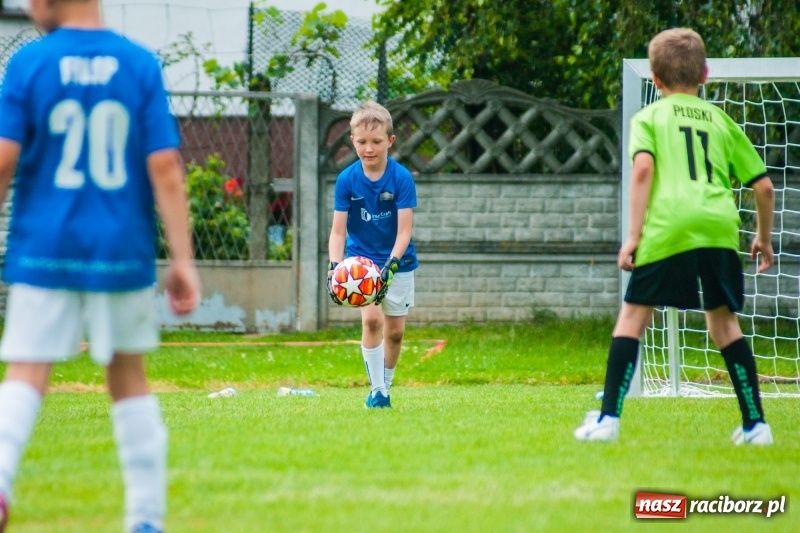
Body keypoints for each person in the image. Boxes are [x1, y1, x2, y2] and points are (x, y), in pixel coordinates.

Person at [0, 1, 201, 532]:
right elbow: (165, 165)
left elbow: (3, 161)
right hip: (119, 251)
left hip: (43, 248)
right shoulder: (138, 64)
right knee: (129, 378)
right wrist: (182, 259)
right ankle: (145, 517)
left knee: (26, 372)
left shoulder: (29, 63)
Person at [574, 28, 775, 445]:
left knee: (633, 318)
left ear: (655, 79)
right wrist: (763, 237)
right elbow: (764, 187)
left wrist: (633, 236)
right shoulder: (721, 121)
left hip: (670, 227)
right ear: (704, 74)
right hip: (719, 229)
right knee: (725, 325)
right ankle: (756, 425)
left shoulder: (649, 118)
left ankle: (608, 419)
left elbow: (644, 170)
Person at [327, 100, 418, 409]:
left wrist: (391, 265)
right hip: (362, 263)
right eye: (362, 141)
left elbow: (404, 231)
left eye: (377, 141)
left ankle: (385, 387)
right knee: (372, 322)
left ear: (390, 141)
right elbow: (337, 232)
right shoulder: (346, 180)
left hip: (398, 262)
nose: (369, 148)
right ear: (352, 140)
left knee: (395, 333)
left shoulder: (401, 178)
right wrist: (335, 267)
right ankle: (377, 392)